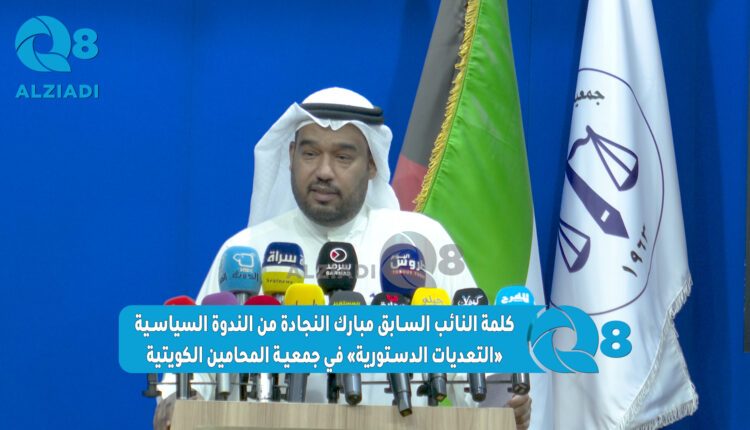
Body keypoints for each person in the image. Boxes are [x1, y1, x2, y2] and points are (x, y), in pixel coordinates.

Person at [154, 88, 531, 430]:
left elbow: (480, 373)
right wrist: (174, 404)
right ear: (291, 157)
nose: (323, 171)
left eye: (343, 157)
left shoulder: (419, 244)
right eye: (310, 153)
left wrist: (506, 405)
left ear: (372, 165)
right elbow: (190, 381)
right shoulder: (246, 252)